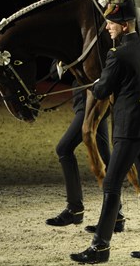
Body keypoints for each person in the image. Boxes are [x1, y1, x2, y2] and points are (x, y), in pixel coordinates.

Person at [70, 0, 140, 264]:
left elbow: (102, 91)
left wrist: (101, 80)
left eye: (111, 23)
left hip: (128, 127)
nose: (107, 27)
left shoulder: (116, 55)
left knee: (112, 184)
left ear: (126, 25)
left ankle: (100, 247)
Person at [45, 77, 126, 234]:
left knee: (64, 148)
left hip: (90, 104)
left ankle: (74, 208)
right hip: (88, 103)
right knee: (103, 155)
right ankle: (116, 215)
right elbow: (55, 74)